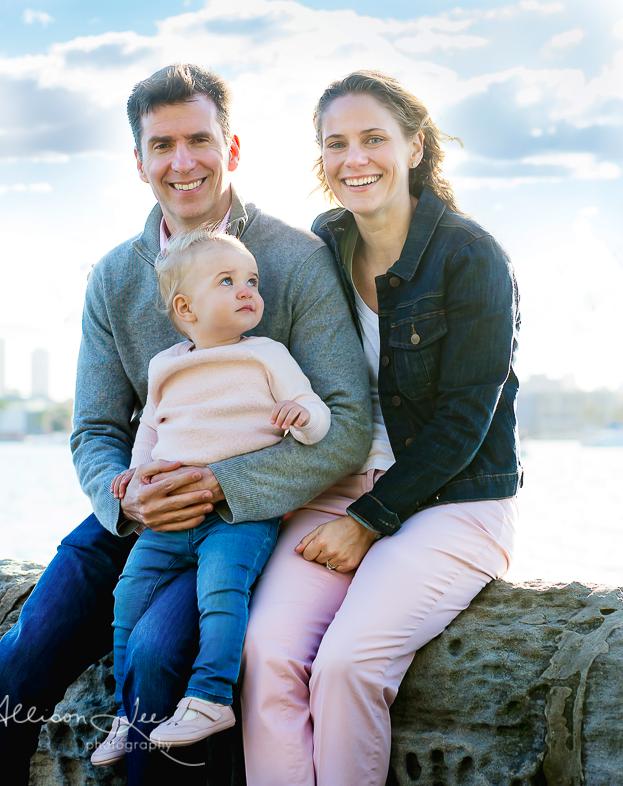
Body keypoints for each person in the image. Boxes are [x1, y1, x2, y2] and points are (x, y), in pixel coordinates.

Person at [0, 63, 371, 785]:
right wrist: (121, 494)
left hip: (238, 517)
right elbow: (94, 429)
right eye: (162, 146)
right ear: (138, 162)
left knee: (152, 653)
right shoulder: (115, 277)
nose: (183, 162)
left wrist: (218, 486)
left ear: (231, 149)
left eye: (199, 140)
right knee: (14, 665)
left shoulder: (294, 261)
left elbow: (348, 424)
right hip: (134, 510)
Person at [239, 69, 521, 786]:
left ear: (416, 147)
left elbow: (465, 419)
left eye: (374, 139)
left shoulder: (471, 256)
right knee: (266, 654)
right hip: (335, 490)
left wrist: (369, 520)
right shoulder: (323, 248)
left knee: (348, 664)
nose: (354, 159)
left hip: (451, 501)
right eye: (336, 144)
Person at [91, 229, 332, 767]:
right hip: (170, 514)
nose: (246, 289)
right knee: (128, 594)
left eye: (251, 280)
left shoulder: (267, 355)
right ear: (185, 307)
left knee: (222, 593)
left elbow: (317, 414)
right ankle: (127, 712)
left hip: (239, 515)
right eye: (227, 281)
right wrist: (134, 479)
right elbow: (150, 431)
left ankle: (211, 696)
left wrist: (304, 418)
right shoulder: (166, 365)